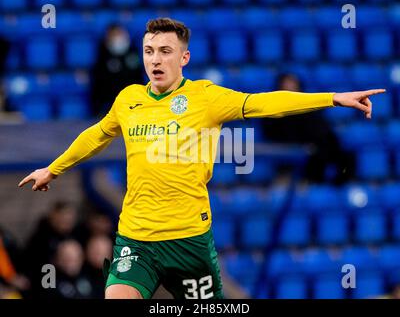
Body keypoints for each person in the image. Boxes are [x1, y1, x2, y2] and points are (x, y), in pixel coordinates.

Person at [18, 18, 385, 299]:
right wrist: (53, 168)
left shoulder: (205, 98)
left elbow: (263, 103)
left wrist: (331, 98)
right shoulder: (128, 98)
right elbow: (96, 135)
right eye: (149, 51)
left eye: (165, 51)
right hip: (136, 237)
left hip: (189, 241)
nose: (155, 60)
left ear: (184, 57)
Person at [262, 73, 356, 184]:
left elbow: (319, 128)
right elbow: (271, 131)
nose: (291, 87)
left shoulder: (308, 105)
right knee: (316, 155)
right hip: (291, 144)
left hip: (316, 144)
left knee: (343, 155)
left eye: (293, 83)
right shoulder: (272, 107)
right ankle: (313, 184)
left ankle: (338, 188)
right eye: (287, 83)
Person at [90, 24, 144, 118]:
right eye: (114, 35)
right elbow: (98, 86)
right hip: (109, 105)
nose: (118, 38)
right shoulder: (102, 56)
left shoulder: (132, 51)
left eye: (120, 34)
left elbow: (139, 78)